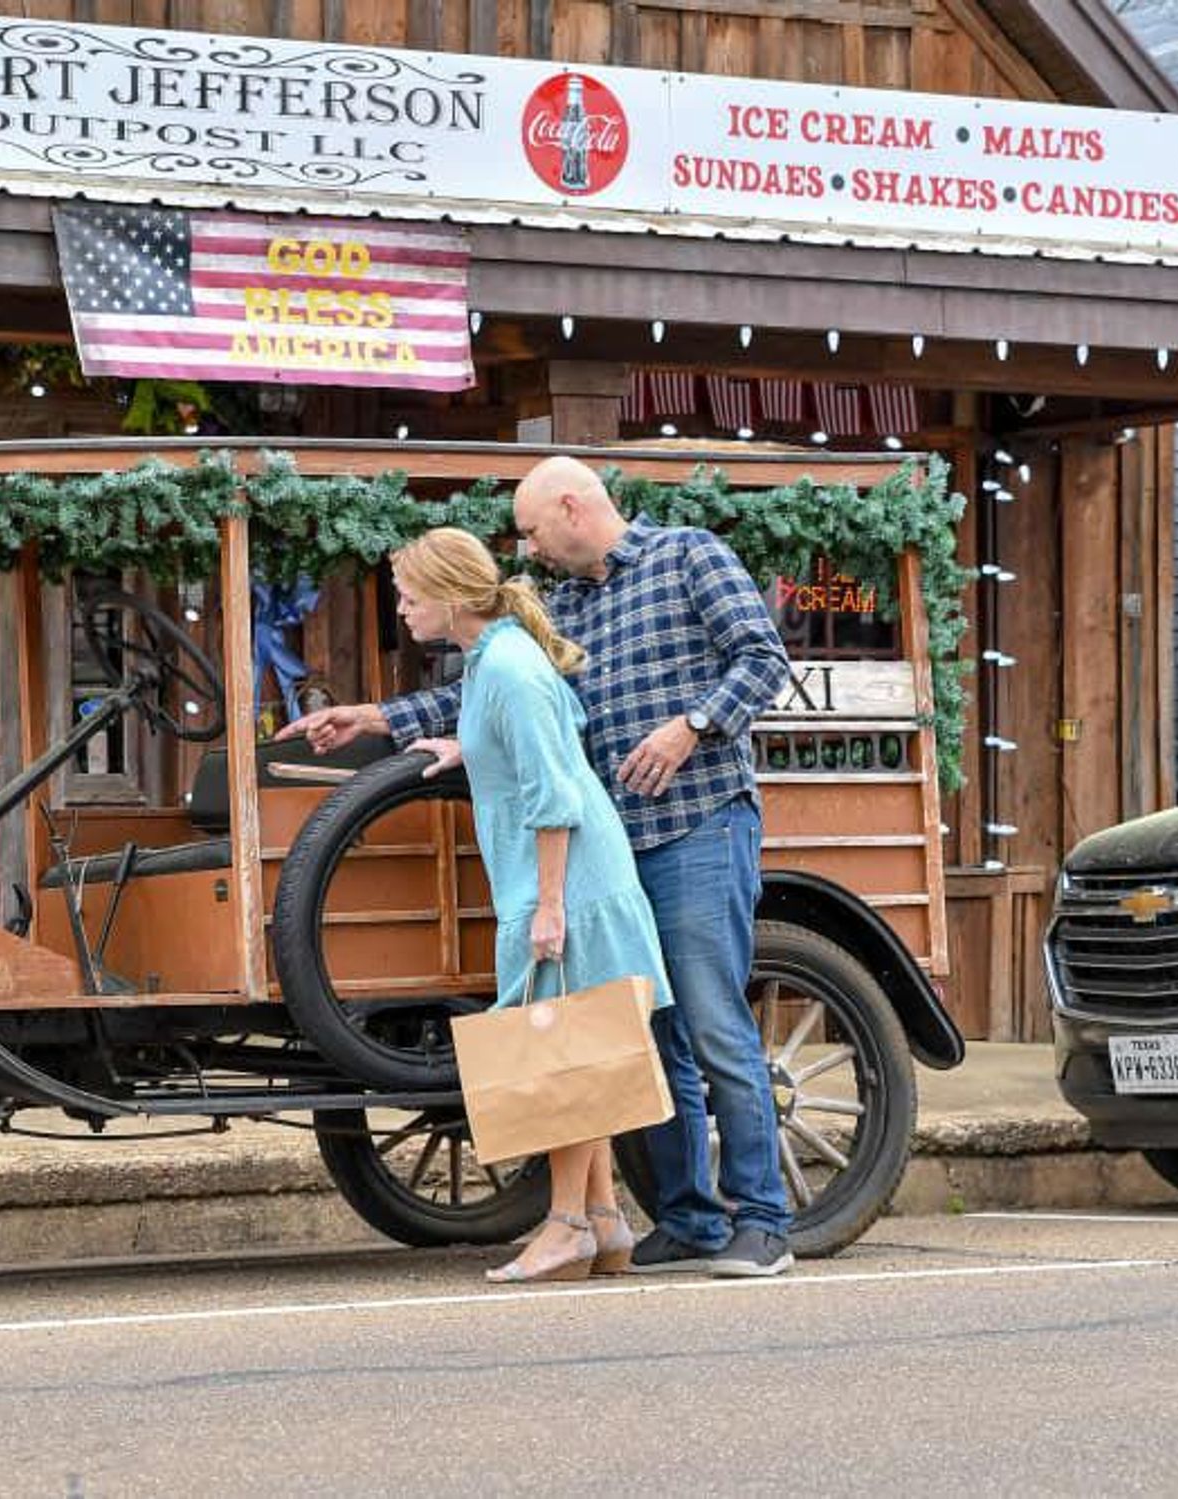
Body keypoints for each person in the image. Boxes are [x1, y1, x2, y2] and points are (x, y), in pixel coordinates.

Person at [281, 455, 796, 1278]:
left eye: (530, 530)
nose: (525, 548)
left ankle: (763, 1221)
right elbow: (494, 695)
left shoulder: (688, 554)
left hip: (697, 822)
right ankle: (690, 1218)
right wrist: (378, 717)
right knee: (641, 1034)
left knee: (712, 1024)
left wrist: (690, 727)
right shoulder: (562, 604)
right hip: (610, 839)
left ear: (570, 507)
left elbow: (763, 659)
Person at [386, 527, 673, 1285]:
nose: (402, 609)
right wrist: (468, 749)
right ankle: (605, 1219)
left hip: (567, 882)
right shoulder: (494, 661)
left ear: (451, 598)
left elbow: (554, 793)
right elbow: (548, 739)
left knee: (563, 1057)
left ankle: (565, 1225)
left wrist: (549, 907)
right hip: (564, 878)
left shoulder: (509, 667)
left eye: (410, 597)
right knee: (584, 1049)